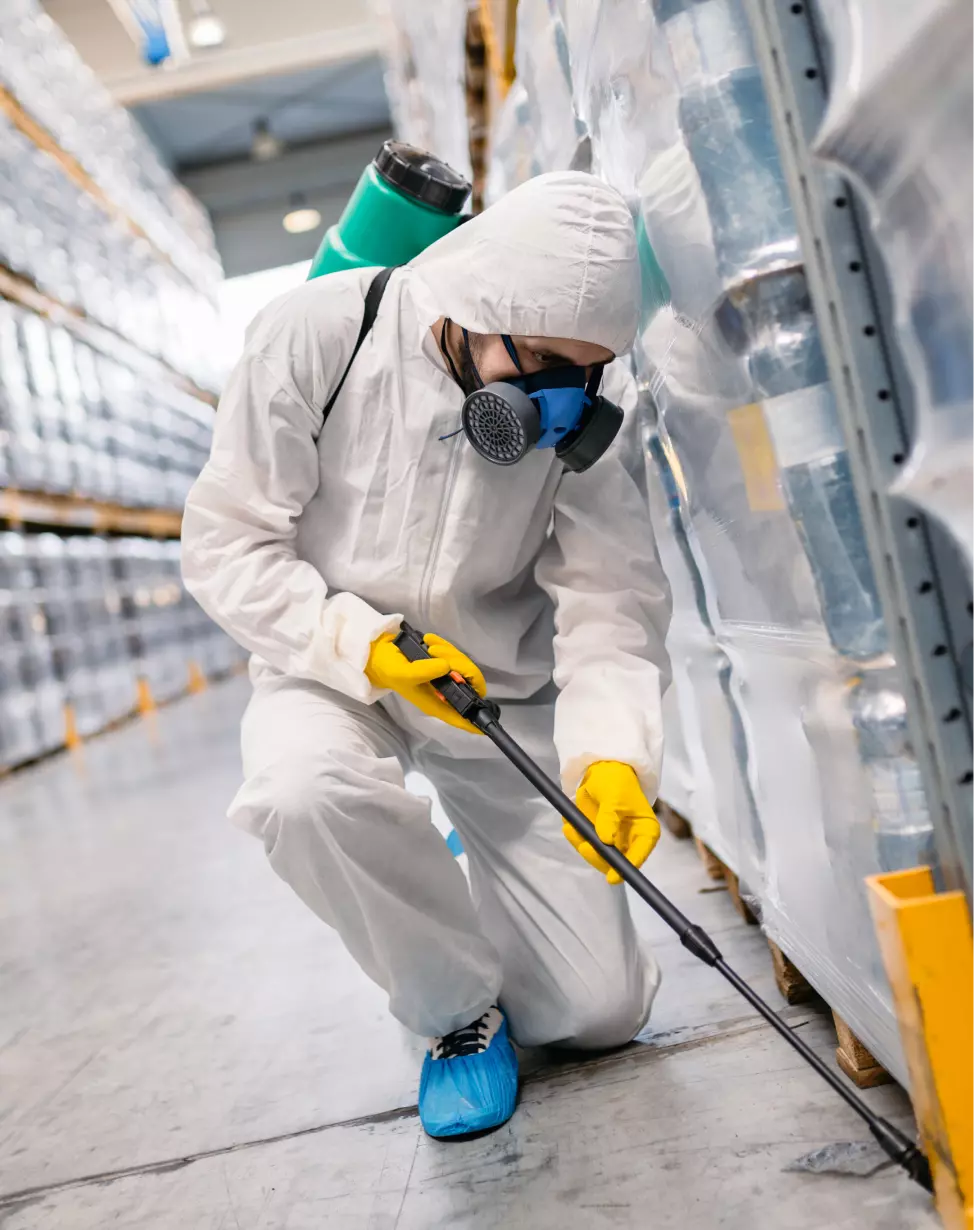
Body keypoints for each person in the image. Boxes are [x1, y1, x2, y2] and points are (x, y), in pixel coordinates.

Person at [181, 171, 671, 1140]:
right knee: (299, 793)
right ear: (470, 305)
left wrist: (614, 750)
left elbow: (610, 599)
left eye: (582, 373)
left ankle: (452, 867)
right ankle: (454, 1014)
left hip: (490, 686)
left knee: (594, 1014)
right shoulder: (317, 337)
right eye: (535, 367)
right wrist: (358, 645)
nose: (553, 405)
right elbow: (224, 543)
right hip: (328, 666)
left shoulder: (576, 422)